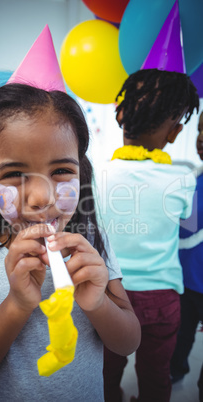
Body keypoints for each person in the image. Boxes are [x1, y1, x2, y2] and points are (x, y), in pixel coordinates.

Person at [0, 79, 141, 399]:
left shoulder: (94, 246)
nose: (42, 198)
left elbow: (128, 342)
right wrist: (16, 305)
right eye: (14, 174)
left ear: (80, 172)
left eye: (61, 170)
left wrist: (98, 303)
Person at [95, 68, 199, 402]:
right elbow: (186, 223)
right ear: (175, 132)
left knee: (105, 369)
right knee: (156, 375)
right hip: (163, 298)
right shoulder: (182, 181)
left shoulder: (96, 175)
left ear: (120, 114)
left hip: (109, 292)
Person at [170, 111, 203, 402]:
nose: (201, 138)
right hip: (188, 278)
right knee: (182, 333)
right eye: (200, 130)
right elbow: (182, 228)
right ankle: (176, 371)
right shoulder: (192, 179)